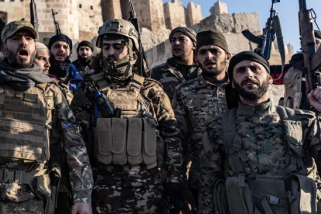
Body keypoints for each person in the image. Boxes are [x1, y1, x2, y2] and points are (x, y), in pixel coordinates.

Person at [0, 20, 93, 214]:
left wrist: (82, 196)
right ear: (4, 48)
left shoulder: (50, 90)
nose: (23, 42)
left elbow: (75, 145)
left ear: (34, 47)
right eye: (16, 38)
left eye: (29, 38)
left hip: (32, 196)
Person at [71, 19, 184, 214]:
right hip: (103, 190)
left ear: (131, 50)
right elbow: (76, 144)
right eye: (106, 47)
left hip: (149, 189)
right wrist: (83, 192)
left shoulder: (151, 89)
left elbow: (171, 136)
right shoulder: (88, 90)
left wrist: (175, 180)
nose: (111, 53)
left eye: (118, 46)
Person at [199, 51, 321, 214]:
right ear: (233, 83)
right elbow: (209, 185)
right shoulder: (218, 127)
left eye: (255, 69)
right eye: (241, 71)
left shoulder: (303, 121)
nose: (248, 74)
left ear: (270, 78)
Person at [172, 29, 231, 208]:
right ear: (196, 58)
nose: (209, 56)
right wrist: (180, 182)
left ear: (227, 56)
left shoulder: (241, 88)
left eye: (215, 51)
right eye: (203, 52)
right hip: (203, 184)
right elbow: (177, 140)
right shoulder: (184, 92)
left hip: (243, 179)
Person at [149, 27, 198, 102]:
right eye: (173, 40)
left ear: (194, 45)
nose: (176, 43)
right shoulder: (155, 73)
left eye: (182, 39)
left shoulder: (203, 72)